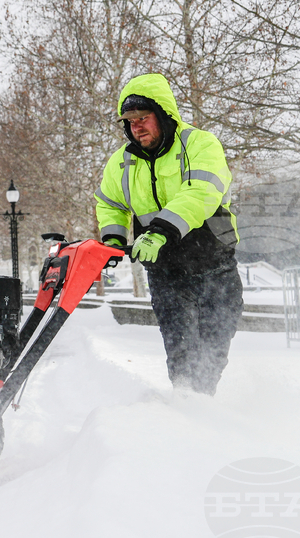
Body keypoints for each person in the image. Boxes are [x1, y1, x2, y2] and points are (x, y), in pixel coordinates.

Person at [94, 73, 242, 395]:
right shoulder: (121, 163)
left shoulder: (200, 145)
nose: (137, 127)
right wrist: (114, 240)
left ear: (163, 115)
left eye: (144, 119)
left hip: (213, 263)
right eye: (130, 122)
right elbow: (109, 203)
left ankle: (202, 401)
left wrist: (160, 231)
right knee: (181, 348)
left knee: (215, 344)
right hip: (166, 271)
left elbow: (200, 192)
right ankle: (187, 403)